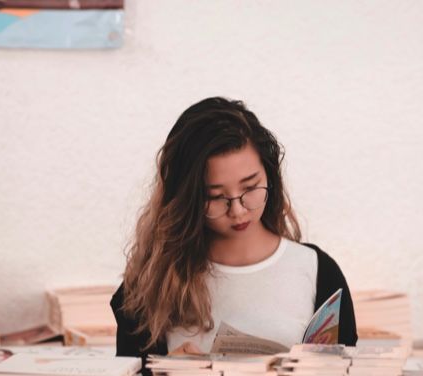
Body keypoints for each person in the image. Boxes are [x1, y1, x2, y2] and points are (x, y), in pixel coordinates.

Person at [110, 97, 357, 365]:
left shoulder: (318, 271)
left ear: (269, 175)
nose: (238, 211)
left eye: (250, 188)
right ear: (187, 199)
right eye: (215, 197)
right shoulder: (151, 284)